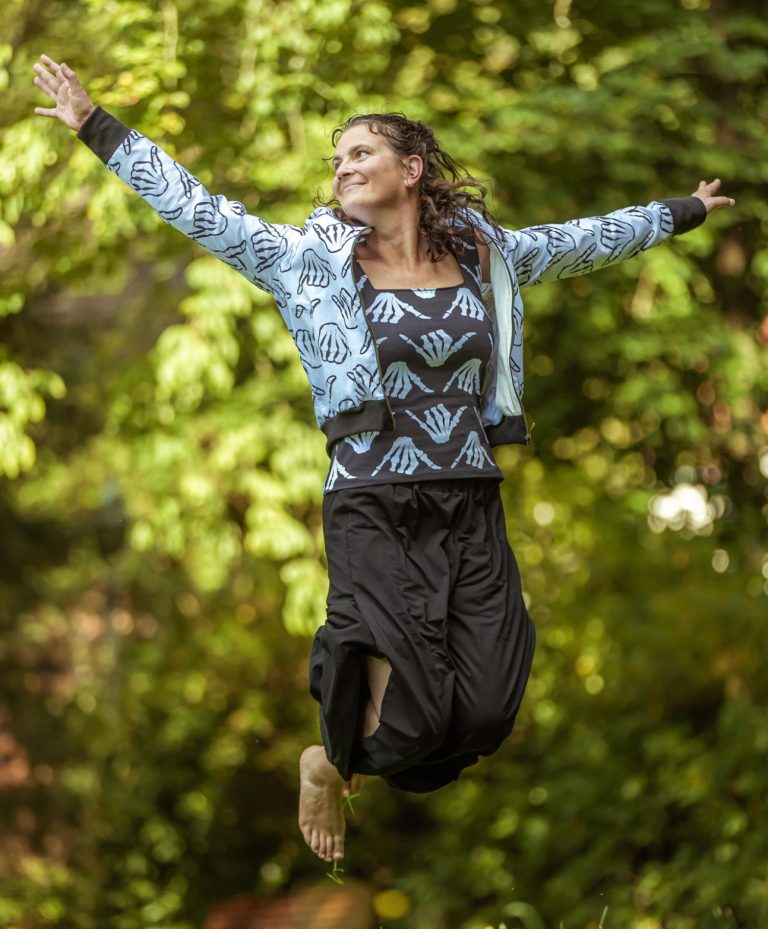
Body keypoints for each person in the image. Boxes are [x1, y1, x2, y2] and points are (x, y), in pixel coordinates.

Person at [33, 53, 735, 865]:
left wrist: (682, 211)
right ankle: (325, 759)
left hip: (469, 495)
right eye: (337, 161)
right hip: (372, 499)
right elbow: (196, 208)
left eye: (360, 152)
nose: (343, 167)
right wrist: (96, 124)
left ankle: (352, 736)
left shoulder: (484, 257)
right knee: (414, 717)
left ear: (410, 168)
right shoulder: (306, 263)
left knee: (489, 706)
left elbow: (582, 241)